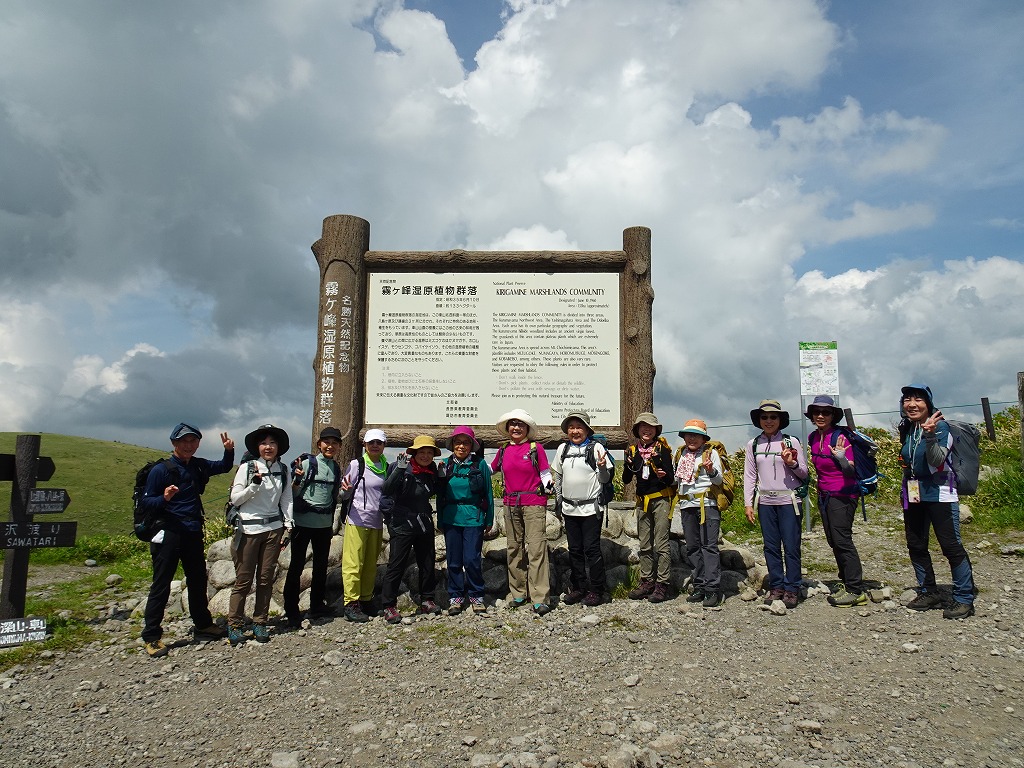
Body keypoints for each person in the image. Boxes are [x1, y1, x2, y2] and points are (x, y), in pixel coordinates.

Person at [139, 423, 234, 658]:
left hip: (192, 531)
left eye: (193, 441)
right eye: (183, 441)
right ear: (174, 443)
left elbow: (223, 467)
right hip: (168, 532)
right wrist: (164, 498)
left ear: (198, 443)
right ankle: (151, 636)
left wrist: (228, 450)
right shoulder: (160, 471)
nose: (188, 445)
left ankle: (203, 625)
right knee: (161, 583)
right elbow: (146, 502)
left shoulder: (198, 465)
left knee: (197, 580)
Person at [898, 384, 976, 620]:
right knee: (916, 544)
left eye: (918, 400)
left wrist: (930, 435)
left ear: (929, 404)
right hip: (914, 493)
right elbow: (909, 461)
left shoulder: (941, 427)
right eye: (907, 400)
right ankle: (928, 591)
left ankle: (964, 598)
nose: (912, 404)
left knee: (950, 545)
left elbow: (937, 460)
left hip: (941, 493)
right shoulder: (908, 428)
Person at [226, 424, 292, 645]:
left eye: (272, 443)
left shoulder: (283, 469)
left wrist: (288, 524)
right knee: (243, 580)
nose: (268, 447)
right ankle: (235, 624)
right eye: (263, 443)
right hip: (248, 529)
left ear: (279, 447)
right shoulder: (247, 468)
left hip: (273, 529)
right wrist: (254, 486)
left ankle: (260, 622)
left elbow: (286, 498)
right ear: (257, 447)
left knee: (265, 579)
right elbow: (236, 499)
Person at [743, 400, 808, 610]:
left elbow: (804, 473)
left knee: (791, 546)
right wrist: (748, 504)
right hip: (765, 502)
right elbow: (750, 476)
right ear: (759, 420)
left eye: (773, 417)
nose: (769, 421)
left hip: (789, 501)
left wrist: (792, 463)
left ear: (780, 420)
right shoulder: (753, 445)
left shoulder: (791, 442)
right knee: (770, 546)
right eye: (764, 417)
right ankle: (777, 586)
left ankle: (792, 588)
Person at [805, 395, 867, 607]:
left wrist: (841, 458)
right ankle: (846, 582)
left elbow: (850, 471)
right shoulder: (813, 437)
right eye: (816, 412)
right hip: (824, 495)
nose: (821, 415)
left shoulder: (841, 437)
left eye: (826, 412)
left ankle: (856, 590)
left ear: (833, 415)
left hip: (844, 495)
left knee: (842, 540)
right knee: (833, 539)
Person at [492, 409, 554, 616]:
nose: (516, 428)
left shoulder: (535, 448)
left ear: (527, 428)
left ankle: (540, 597)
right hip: (511, 502)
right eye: (513, 424)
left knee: (536, 548)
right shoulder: (503, 450)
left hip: (533, 502)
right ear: (508, 428)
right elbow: (490, 470)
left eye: (520, 424)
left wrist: (549, 487)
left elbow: (545, 472)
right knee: (514, 547)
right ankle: (518, 593)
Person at [380, 435, 443, 623]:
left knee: (427, 563)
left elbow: (436, 492)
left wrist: (442, 477)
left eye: (429, 452)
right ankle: (389, 605)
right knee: (396, 565)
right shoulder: (401, 467)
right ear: (414, 453)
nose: (425, 456)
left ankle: (427, 600)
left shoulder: (431, 470)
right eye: (421, 452)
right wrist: (399, 470)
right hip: (402, 523)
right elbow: (387, 489)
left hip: (423, 522)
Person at [284, 426, 342, 627]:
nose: (330, 446)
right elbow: (293, 493)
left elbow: (334, 496)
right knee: (296, 566)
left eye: (334, 443)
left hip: (324, 525)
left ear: (339, 446)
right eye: (327, 442)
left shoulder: (335, 468)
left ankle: (317, 605)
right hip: (302, 524)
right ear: (319, 444)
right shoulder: (308, 463)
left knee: (320, 566)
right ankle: (291, 610)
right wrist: (297, 480)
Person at [551, 411, 611, 607]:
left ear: (587, 430)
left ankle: (597, 590)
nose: (575, 431)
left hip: (591, 509)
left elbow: (604, 479)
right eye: (571, 427)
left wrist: (602, 467)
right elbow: (558, 477)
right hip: (569, 508)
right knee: (575, 550)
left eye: (579, 427)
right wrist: (558, 502)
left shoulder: (596, 448)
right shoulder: (563, 449)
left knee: (592, 550)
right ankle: (579, 587)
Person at [437, 426, 494, 616]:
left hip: (473, 516)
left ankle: (476, 595)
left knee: (471, 559)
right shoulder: (445, 465)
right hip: (451, 516)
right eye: (458, 442)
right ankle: (456, 596)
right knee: (453, 560)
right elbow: (440, 495)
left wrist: (489, 518)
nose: (461, 446)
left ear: (472, 446)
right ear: (452, 444)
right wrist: (440, 519)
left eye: (466, 443)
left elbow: (488, 493)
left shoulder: (480, 464)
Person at [622, 412, 675, 603]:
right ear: (637, 430)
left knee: (661, 543)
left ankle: (662, 584)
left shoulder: (662, 449)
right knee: (645, 543)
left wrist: (663, 475)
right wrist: (628, 465)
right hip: (642, 502)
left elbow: (671, 478)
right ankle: (647, 581)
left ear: (656, 430)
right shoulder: (633, 451)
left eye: (650, 427)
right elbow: (626, 479)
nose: (646, 430)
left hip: (661, 500)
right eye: (643, 426)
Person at [338, 429, 389, 623]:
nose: (375, 445)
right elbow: (343, 493)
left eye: (379, 442)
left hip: (377, 520)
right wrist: (346, 491)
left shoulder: (386, 467)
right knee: (353, 563)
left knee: (369, 564)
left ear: (384, 445)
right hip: (357, 519)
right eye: (371, 442)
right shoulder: (356, 464)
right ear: (364, 445)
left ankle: (366, 600)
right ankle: (351, 603)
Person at [674, 420, 726, 607]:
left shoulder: (711, 453)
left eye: (696, 435)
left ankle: (712, 589)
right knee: (693, 547)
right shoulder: (680, 454)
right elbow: (677, 481)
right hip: (687, 505)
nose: (692, 438)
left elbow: (719, 480)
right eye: (689, 435)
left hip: (707, 505)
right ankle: (700, 586)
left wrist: (711, 470)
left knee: (709, 547)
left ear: (704, 438)